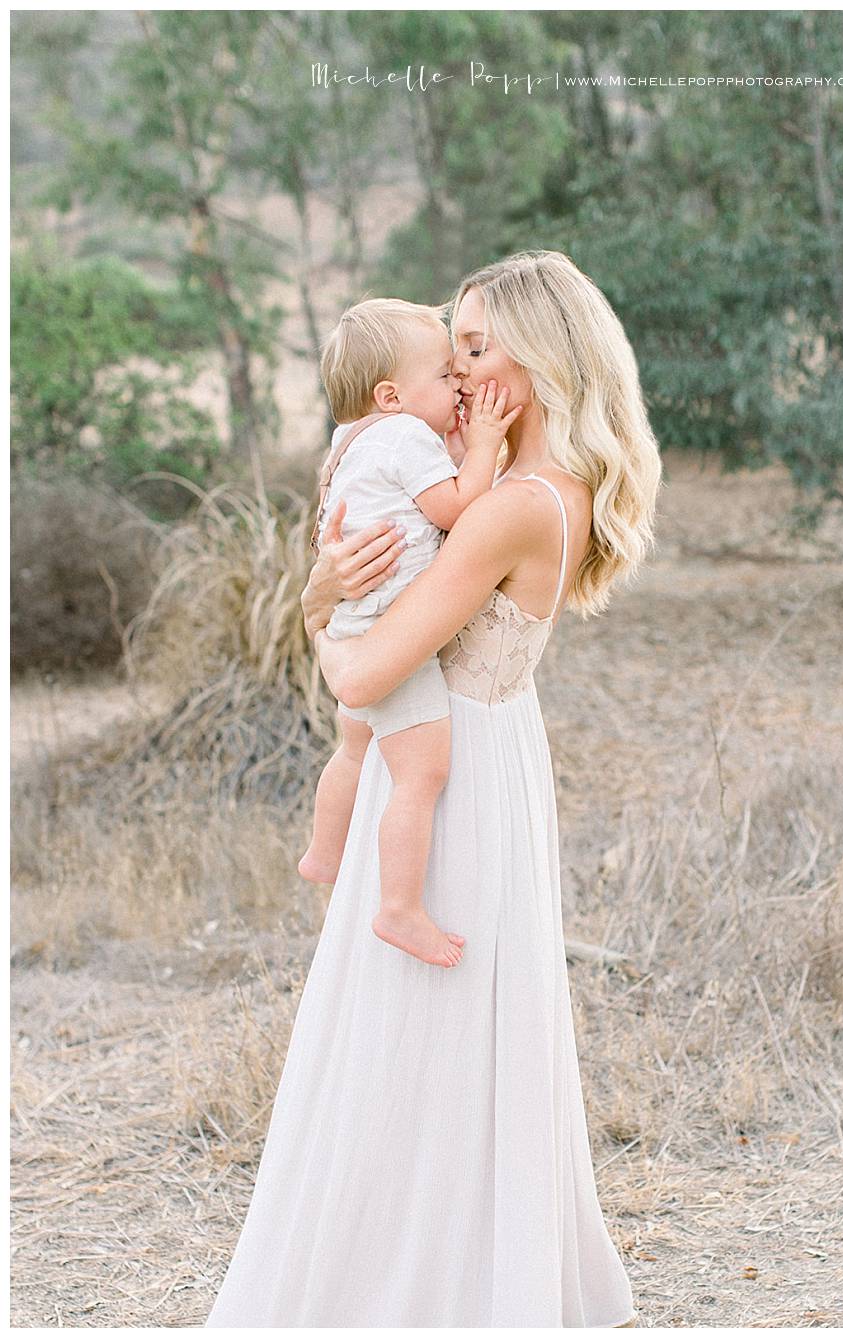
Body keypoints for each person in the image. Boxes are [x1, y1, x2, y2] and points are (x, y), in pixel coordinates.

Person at [205, 250, 660, 1327]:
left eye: (473, 348)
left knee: (412, 1035)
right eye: (451, 348)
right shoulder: (543, 489)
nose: (454, 374)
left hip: (450, 784)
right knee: (439, 1034)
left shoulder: (510, 508)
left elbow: (361, 673)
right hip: (478, 760)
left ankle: (409, 1283)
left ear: (538, 362)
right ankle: (450, 1260)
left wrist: (319, 605)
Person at [298, 298, 521, 969]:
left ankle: (323, 852)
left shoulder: (354, 441)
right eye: (445, 376)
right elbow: (454, 505)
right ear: (391, 395)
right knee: (421, 775)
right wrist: (480, 447)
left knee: (354, 747)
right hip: (394, 629)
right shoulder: (406, 437)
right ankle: (399, 906)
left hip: (354, 616)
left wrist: (455, 442)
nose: (460, 384)